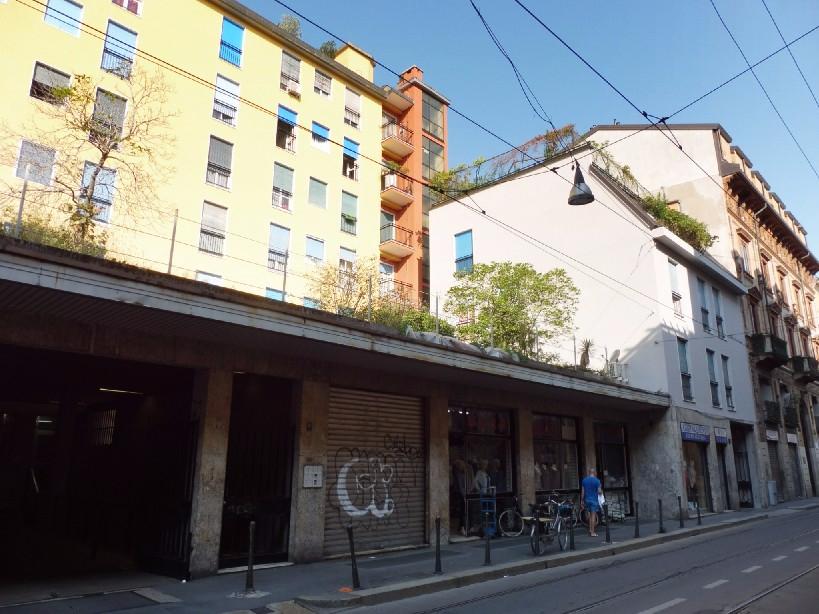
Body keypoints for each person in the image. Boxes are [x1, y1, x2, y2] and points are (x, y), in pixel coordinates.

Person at [580, 467, 602, 537]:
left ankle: (590, 529)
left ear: (589, 473)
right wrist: (601, 492)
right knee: (593, 516)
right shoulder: (597, 481)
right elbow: (599, 492)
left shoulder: (584, 480)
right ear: (594, 473)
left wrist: (582, 501)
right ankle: (592, 532)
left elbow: (583, 492)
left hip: (587, 500)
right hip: (594, 501)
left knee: (589, 515)